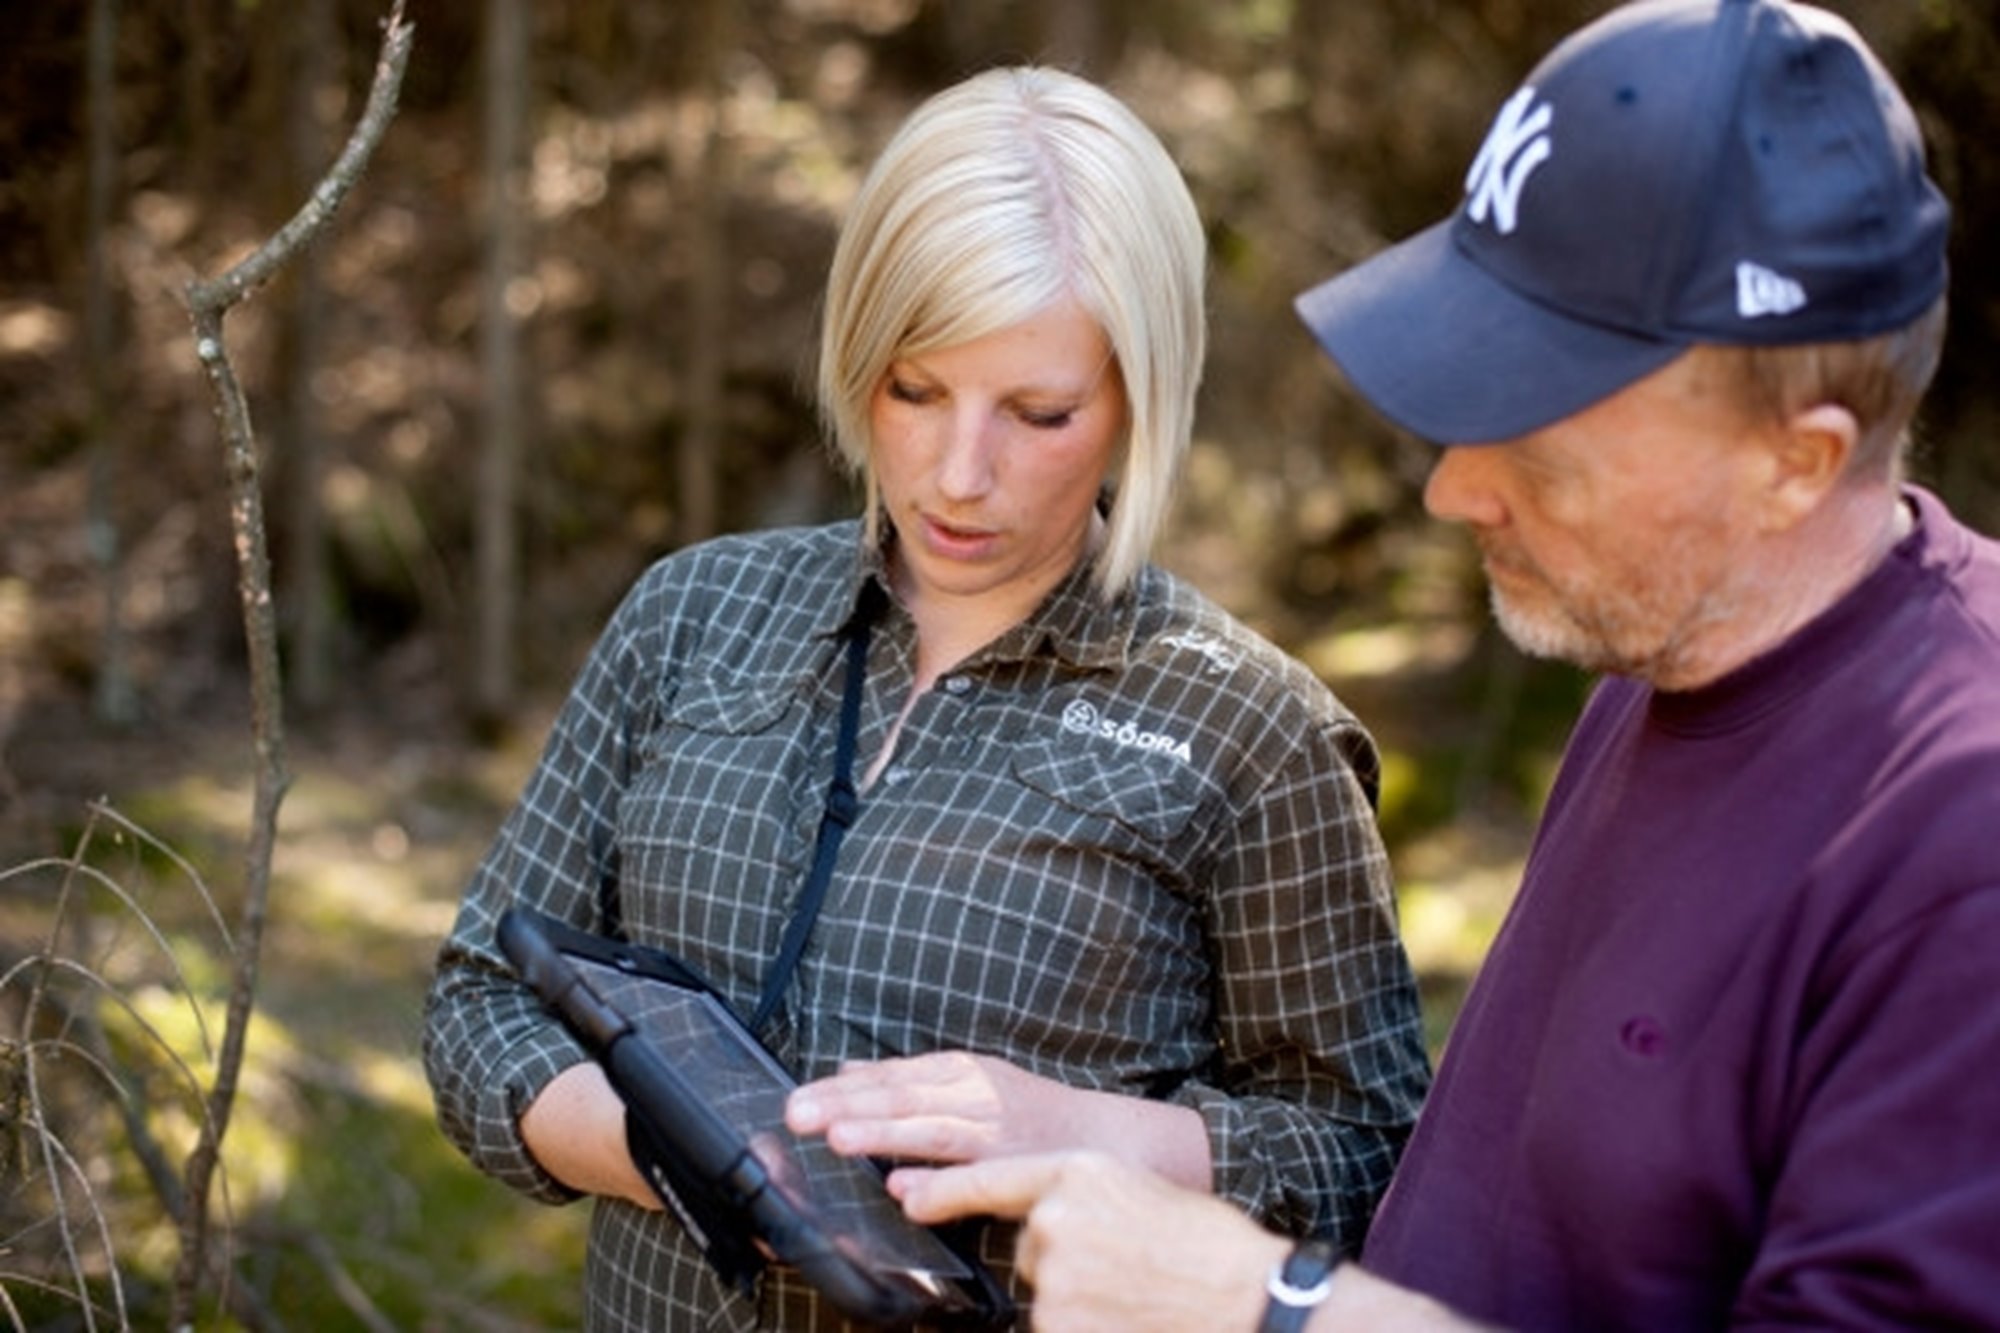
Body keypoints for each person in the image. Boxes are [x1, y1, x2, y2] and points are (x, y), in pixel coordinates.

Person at [887, 2, 2000, 1329]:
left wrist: (1268, 1305)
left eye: (1533, 451)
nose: (1450, 489)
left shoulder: (1959, 835)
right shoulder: (1661, 663)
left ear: (1794, 461)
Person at [422, 65, 1432, 1331]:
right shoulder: (692, 616)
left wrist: (1083, 1134)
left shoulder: (1249, 731)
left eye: (1039, 411)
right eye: (914, 390)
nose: (961, 474)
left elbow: (1375, 1160)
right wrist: (686, 1162)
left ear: (1138, 400)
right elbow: (478, 999)